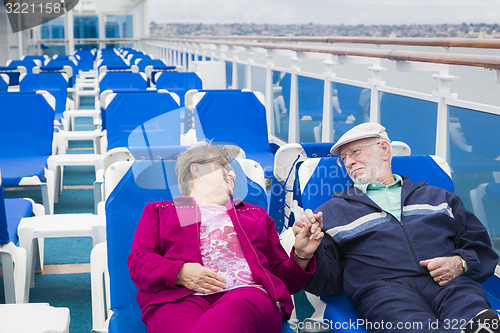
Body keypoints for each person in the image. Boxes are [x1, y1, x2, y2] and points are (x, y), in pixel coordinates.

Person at [294, 122, 500, 333]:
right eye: (343, 158)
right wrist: (305, 255)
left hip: (449, 283)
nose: (349, 162)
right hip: (385, 292)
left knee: (474, 315)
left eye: (355, 152)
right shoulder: (331, 212)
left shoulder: (438, 198)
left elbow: (480, 247)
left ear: (384, 149)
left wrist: (460, 263)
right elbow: (327, 283)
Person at [128, 142, 324, 333]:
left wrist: (301, 255)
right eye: (224, 167)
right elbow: (139, 263)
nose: (232, 174)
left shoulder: (253, 214)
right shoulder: (167, 211)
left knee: (236, 308)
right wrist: (180, 272)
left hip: (247, 294)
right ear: (196, 170)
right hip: (180, 298)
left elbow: (283, 282)